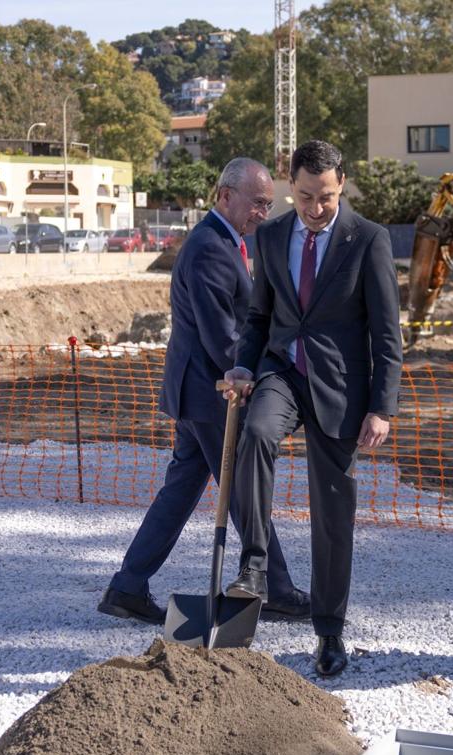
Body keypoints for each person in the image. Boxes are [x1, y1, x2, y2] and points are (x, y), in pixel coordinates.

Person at [98, 158, 310, 625]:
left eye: (268, 204)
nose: (262, 212)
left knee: (180, 491)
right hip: (212, 396)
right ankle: (275, 589)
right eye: (257, 202)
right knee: (243, 493)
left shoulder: (224, 242)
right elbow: (223, 339)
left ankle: (127, 586)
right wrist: (263, 373)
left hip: (197, 394)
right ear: (224, 195)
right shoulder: (211, 248)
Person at [222, 140, 402, 678]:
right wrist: (243, 367)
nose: (314, 208)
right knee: (255, 435)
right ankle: (254, 567)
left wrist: (381, 408)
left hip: (341, 390)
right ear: (289, 185)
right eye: (303, 196)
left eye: (324, 197)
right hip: (281, 371)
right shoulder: (273, 235)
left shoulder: (368, 240)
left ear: (341, 184)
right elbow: (258, 318)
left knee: (332, 515)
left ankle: (329, 632)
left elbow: (387, 334)